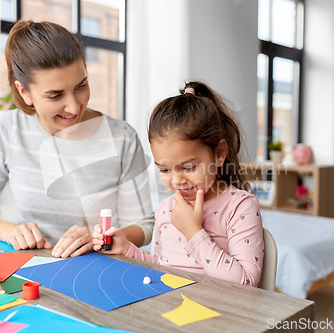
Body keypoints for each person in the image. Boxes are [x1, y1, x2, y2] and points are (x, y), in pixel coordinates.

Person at [0, 20, 154, 258]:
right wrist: (11, 232)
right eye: (55, 95)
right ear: (24, 92)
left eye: (81, 86)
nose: (73, 106)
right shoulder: (8, 129)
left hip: (99, 265)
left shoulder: (122, 138)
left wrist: (101, 239)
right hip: (33, 266)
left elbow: (144, 225)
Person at [93, 82, 264, 286]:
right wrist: (126, 249)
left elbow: (246, 284)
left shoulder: (239, 206)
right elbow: (163, 268)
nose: (176, 181)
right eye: (164, 170)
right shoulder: (166, 209)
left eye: (189, 167)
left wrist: (193, 232)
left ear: (219, 154)